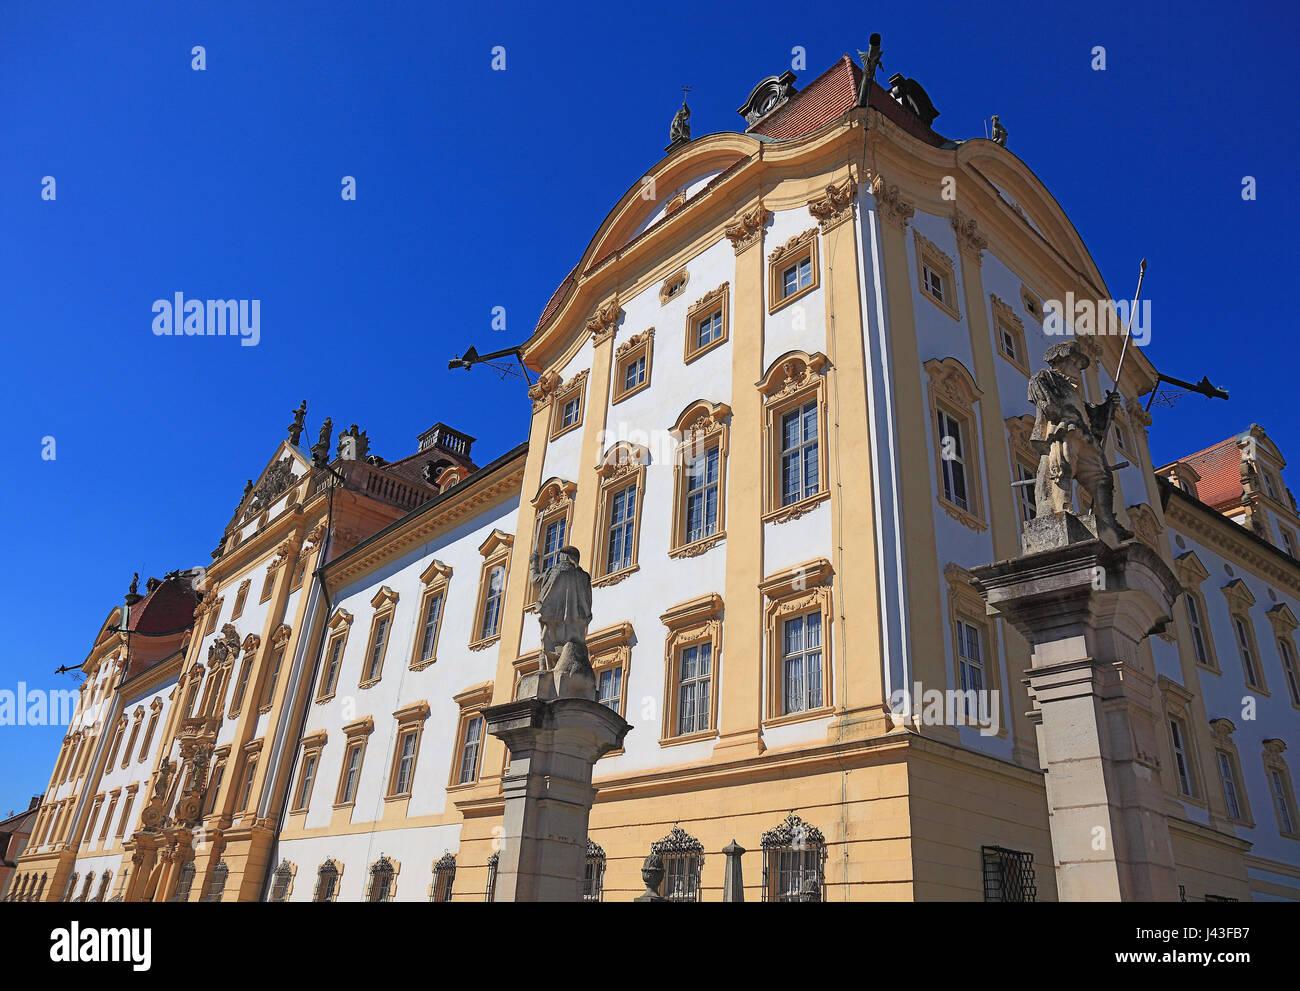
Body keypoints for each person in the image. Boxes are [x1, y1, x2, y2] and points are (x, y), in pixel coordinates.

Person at [529, 544, 592, 670]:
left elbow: (534, 580)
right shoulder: (584, 577)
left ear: (566, 557)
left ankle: (545, 671)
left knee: (547, 648)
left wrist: (533, 564)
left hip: (554, 620)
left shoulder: (555, 570)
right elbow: (587, 601)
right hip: (576, 624)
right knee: (573, 652)